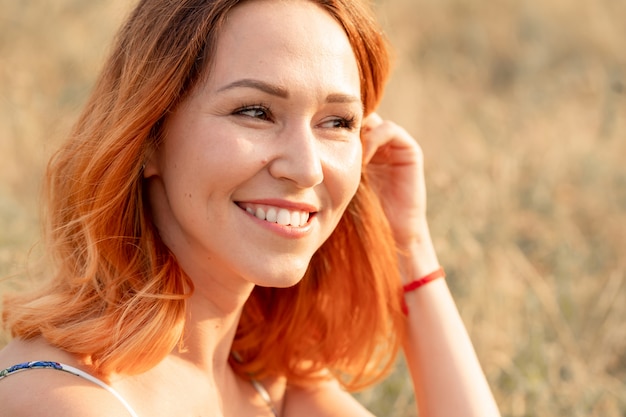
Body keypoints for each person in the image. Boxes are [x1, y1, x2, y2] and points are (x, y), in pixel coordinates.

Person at [0, 0, 501, 415]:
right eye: (255, 112)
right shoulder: (63, 399)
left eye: (337, 122)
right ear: (147, 136)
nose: (307, 169)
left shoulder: (267, 386)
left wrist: (407, 248)